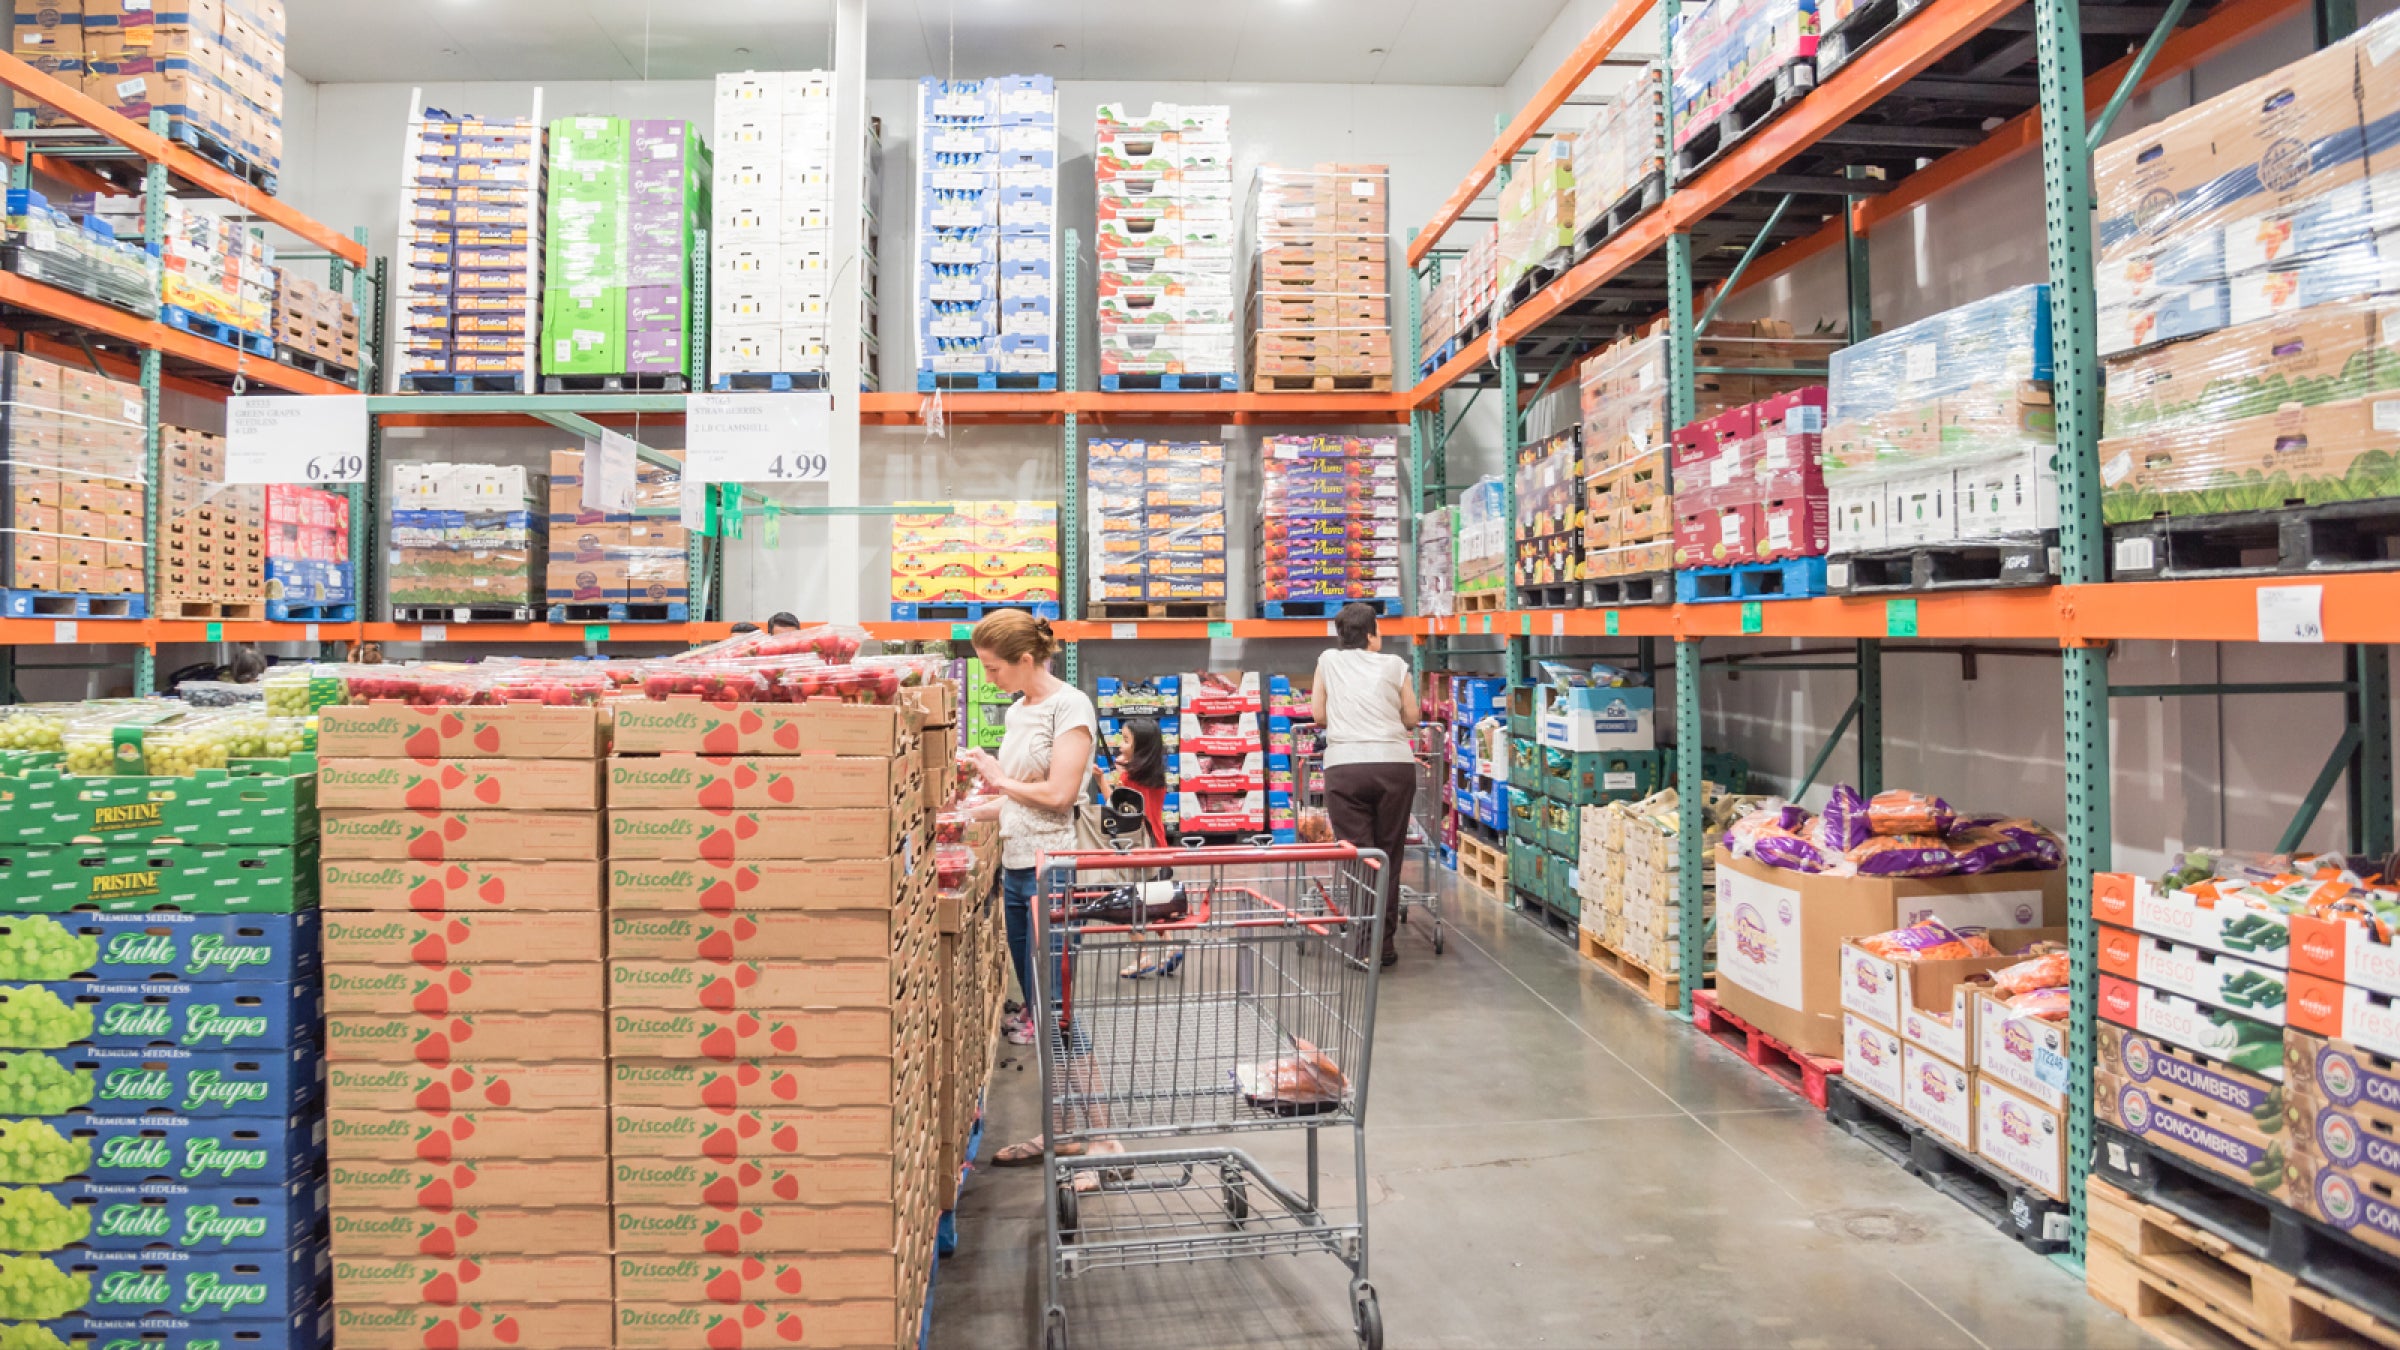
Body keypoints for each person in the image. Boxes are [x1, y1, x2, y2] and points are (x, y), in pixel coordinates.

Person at [961, 609, 1113, 1173]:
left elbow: (1057, 795)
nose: (989, 679)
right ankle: (1063, 1130)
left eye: (995, 668)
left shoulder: (1069, 706)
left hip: (1053, 870)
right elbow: (1019, 796)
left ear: (1027, 660)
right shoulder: (1019, 709)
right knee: (1042, 1010)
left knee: (1060, 1011)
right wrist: (969, 808)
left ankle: (1102, 1140)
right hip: (1018, 868)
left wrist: (997, 778)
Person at [1311, 601, 1419, 967]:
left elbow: (1318, 714)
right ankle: (1383, 946)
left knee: (1359, 859)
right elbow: (1412, 716)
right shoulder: (1395, 664)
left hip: (1346, 768)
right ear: (1372, 634)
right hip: (1394, 766)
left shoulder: (1327, 660)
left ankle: (1361, 947)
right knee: (1388, 854)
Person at [1095, 716, 1176, 979]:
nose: (1120, 743)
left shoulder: (1130, 777)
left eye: (1126, 740)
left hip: (1136, 849)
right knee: (1156, 901)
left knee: (1128, 903)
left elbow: (1118, 809)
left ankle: (1142, 956)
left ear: (1140, 748)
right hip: (1159, 848)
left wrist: (1101, 781)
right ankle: (1171, 947)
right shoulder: (1155, 777)